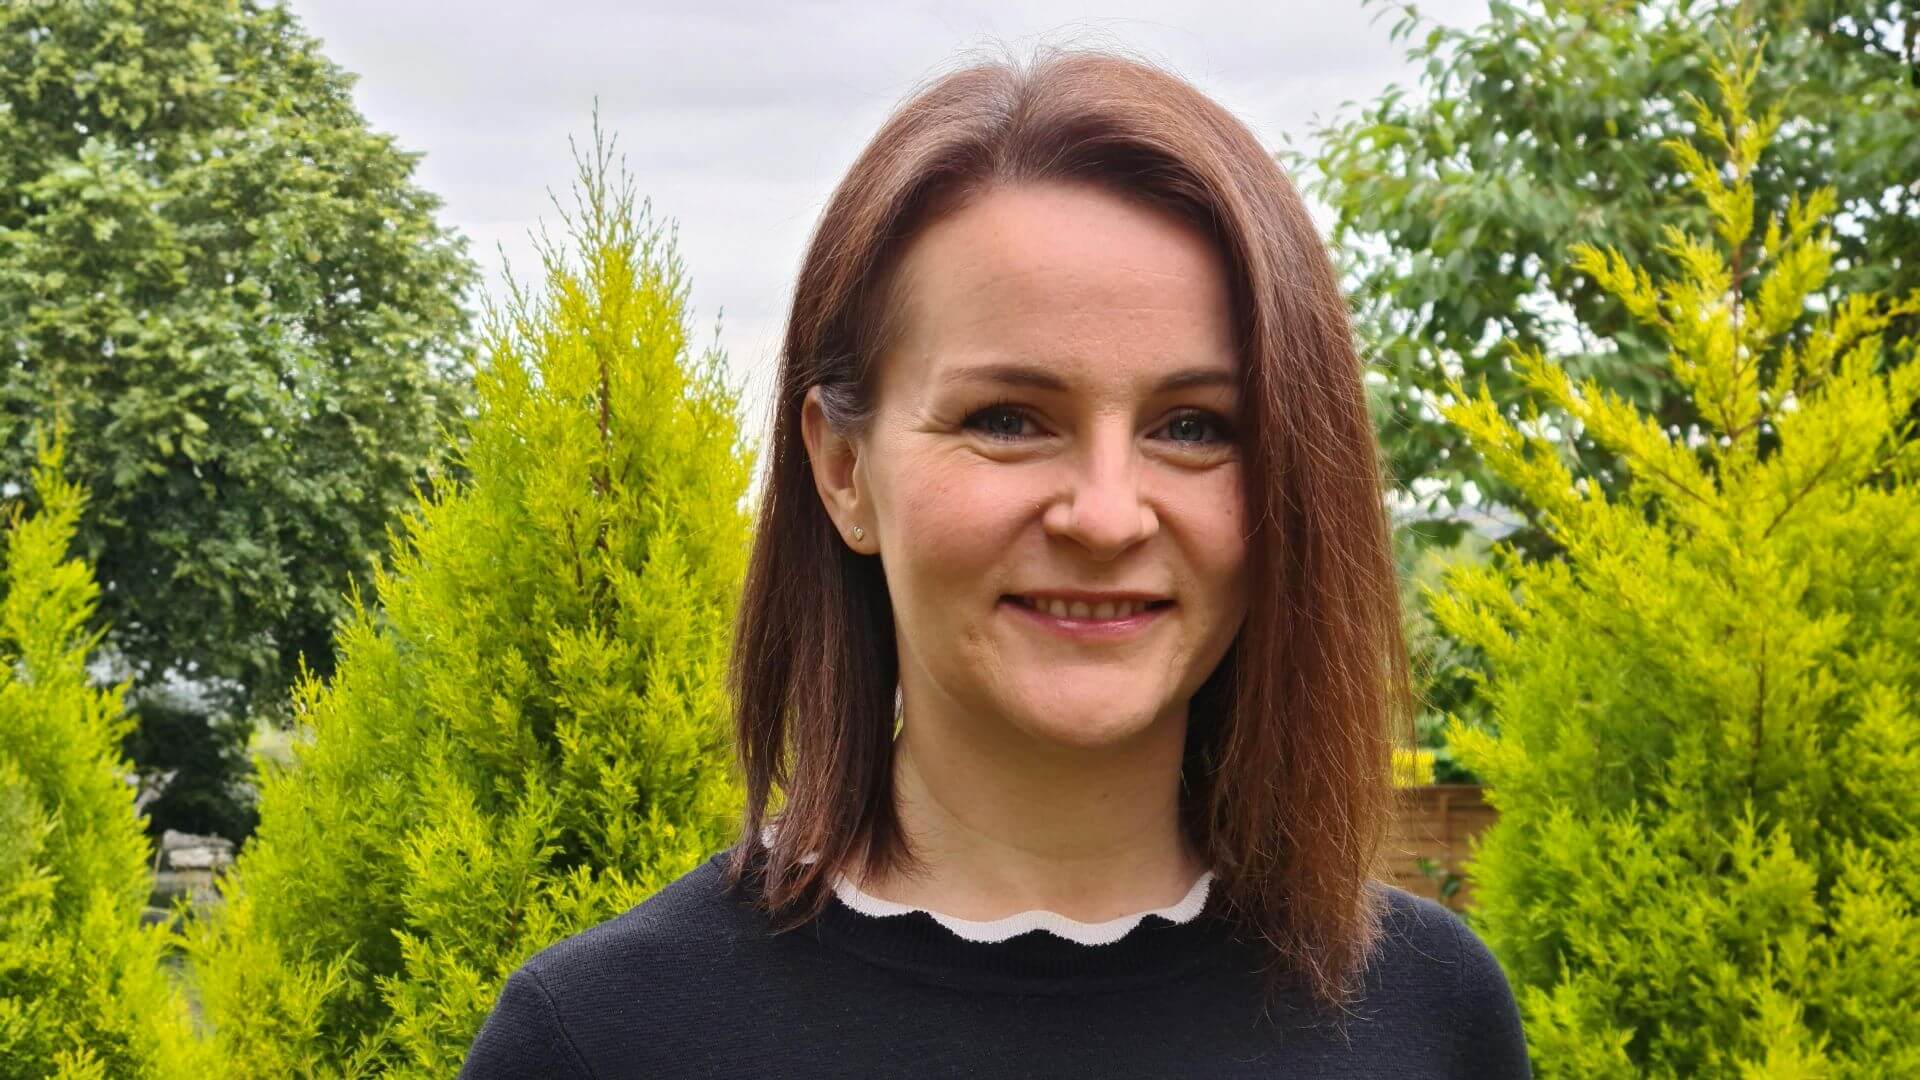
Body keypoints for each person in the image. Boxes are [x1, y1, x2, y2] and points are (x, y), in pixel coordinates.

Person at [460, 42, 1530, 1079]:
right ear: (842, 471)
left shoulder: (1431, 1019)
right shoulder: (603, 1043)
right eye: (1009, 418)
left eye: (1196, 426)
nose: (1108, 517)